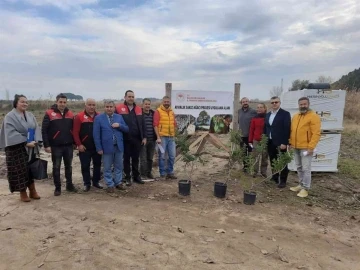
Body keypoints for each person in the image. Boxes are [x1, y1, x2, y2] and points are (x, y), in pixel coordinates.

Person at [0, 94, 42, 202]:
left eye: (26, 102)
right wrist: (25, 142)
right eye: (22, 102)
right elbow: (10, 133)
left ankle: (33, 191)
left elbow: (36, 128)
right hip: (16, 148)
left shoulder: (30, 115)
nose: (25, 104)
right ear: (16, 103)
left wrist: (36, 140)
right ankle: (23, 192)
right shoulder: (10, 116)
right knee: (20, 171)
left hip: (31, 146)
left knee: (30, 169)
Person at [41, 93, 77, 196]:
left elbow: (73, 130)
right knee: (56, 167)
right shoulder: (49, 113)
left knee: (68, 166)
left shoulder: (70, 114)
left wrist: (74, 142)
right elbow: (44, 130)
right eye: (60, 102)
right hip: (56, 146)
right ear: (56, 102)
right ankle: (58, 188)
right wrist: (46, 145)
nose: (62, 104)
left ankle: (69, 185)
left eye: (64, 102)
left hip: (68, 145)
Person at [93, 100, 129, 193]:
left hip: (118, 146)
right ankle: (109, 184)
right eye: (107, 107)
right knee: (107, 167)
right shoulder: (99, 118)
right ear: (104, 107)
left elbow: (126, 129)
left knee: (119, 166)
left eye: (111, 107)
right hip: (106, 147)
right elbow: (96, 135)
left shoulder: (119, 117)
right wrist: (99, 148)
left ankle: (118, 182)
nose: (109, 108)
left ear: (114, 108)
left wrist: (119, 125)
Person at [289, 97, 321, 198]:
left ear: (308, 104)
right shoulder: (295, 116)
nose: (303, 106)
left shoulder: (313, 116)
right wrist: (290, 143)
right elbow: (292, 131)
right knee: (299, 167)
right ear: (298, 105)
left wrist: (311, 147)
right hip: (296, 146)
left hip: (306, 148)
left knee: (306, 168)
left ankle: (305, 188)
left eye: (304, 104)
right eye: (301, 104)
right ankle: (301, 184)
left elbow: (316, 133)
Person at [116, 90, 147, 186]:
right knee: (126, 159)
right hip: (125, 139)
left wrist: (144, 137)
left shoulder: (138, 109)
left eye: (132, 96)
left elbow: (143, 124)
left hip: (137, 138)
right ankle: (127, 177)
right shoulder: (119, 108)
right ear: (125, 97)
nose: (131, 98)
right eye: (129, 96)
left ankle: (136, 176)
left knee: (135, 158)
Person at [73, 98, 103, 192]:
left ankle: (96, 182)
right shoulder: (79, 116)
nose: (92, 107)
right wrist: (79, 145)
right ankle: (86, 183)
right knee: (85, 166)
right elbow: (75, 132)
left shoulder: (99, 116)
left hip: (97, 147)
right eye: (89, 105)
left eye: (93, 105)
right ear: (85, 105)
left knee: (97, 165)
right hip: (84, 147)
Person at [264, 96, 291, 188]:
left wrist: (284, 142)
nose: (274, 104)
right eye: (272, 102)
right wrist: (265, 139)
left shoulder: (285, 114)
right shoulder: (268, 115)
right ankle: (275, 177)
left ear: (280, 103)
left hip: (280, 142)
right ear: (270, 104)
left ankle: (283, 180)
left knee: (283, 161)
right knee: (273, 160)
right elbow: (266, 128)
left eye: (276, 102)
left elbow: (287, 129)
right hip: (270, 141)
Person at [153, 96, 177, 180]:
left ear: (170, 102)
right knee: (162, 156)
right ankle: (162, 174)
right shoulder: (158, 111)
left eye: (168, 102)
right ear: (162, 102)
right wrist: (158, 137)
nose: (166, 103)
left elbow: (174, 124)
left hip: (171, 137)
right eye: (165, 101)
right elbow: (155, 125)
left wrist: (174, 134)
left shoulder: (172, 112)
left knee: (172, 155)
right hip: (162, 137)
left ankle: (170, 172)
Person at [249, 103, 268, 178]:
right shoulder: (254, 118)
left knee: (264, 156)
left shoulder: (268, 117)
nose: (259, 109)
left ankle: (263, 172)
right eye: (258, 107)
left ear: (264, 109)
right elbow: (251, 129)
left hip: (265, 140)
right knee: (255, 156)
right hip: (256, 140)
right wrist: (250, 140)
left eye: (261, 107)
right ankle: (255, 171)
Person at [238, 97, 257, 171]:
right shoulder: (239, 111)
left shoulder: (253, 112)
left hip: (250, 137)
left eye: (246, 101)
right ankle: (245, 167)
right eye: (243, 102)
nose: (245, 103)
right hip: (241, 136)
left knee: (250, 151)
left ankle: (250, 166)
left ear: (249, 102)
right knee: (243, 152)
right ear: (241, 103)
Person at [140, 98, 156, 179]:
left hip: (152, 139)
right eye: (146, 104)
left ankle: (149, 172)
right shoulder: (139, 114)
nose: (147, 106)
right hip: (143, 140)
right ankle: (143, 174)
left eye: (148, 104)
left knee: (150, 158)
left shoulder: (153, 114)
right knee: (143, 158)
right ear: (142, 105)